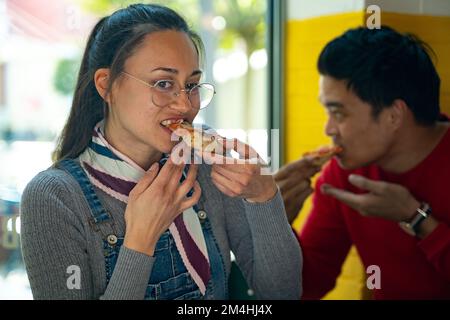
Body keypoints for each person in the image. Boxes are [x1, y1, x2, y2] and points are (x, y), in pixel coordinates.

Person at [20, 3, 301, 300]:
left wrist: (264, 194)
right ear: (107, 85)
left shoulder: (204, 161)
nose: (185, 105)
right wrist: (140, 241)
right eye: (164, 83)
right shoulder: (53, 197)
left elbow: (283, 293)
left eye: (191, 84)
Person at [275, 26, 450, 299]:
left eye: (338, 113)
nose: (328, 129)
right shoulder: (343, 175)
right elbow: (308, 285)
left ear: (394, 115)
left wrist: (417, 219)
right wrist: (276, 227)